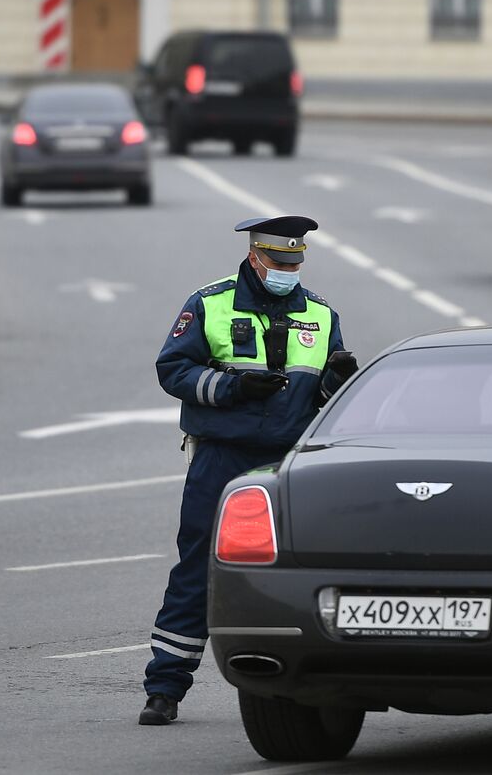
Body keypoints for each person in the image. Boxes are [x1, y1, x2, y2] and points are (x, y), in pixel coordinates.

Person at [139, 215, 358, 726]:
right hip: (223, 458)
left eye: (294, 262)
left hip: (289, 464)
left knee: (296, 570)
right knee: (198, 567)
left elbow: (328, 399)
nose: (288, 270)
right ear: (255, 257)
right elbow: (172, 370)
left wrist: (337, 380)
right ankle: (165, 686)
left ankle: (299, 680)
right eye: (278, 262)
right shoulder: (209, 303)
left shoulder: (322, 314)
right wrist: (232, 389)